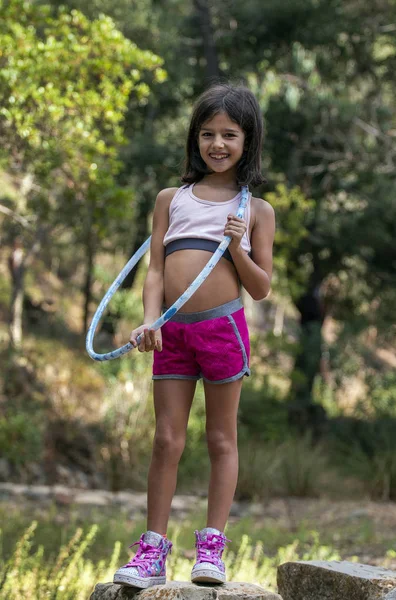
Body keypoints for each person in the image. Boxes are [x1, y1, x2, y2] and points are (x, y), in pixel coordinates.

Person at [113, 82, 275, 589]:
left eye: (229, 134)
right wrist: (150, 318)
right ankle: (151, 551)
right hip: (172, 334)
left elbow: (263, 287)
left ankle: (211, 547)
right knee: (166, 439)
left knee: (220, 438)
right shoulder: (171, 199)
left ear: (248, 141)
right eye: (207, 133)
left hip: (223, 328)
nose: (217, 144)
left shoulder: (257, 210)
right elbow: (156, 270)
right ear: (194, 139)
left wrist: (238, 247)